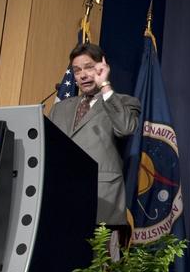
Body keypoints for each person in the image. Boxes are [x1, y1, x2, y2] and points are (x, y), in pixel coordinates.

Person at [49, 43, 142, 238]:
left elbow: (126, 128)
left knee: (96, 267)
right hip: (61, 202)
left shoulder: (124, 102)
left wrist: (105, 86)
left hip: (101, 204)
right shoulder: (60, 109)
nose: (82, 75)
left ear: (102, 67)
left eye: (89, 67)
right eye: (77, 70)